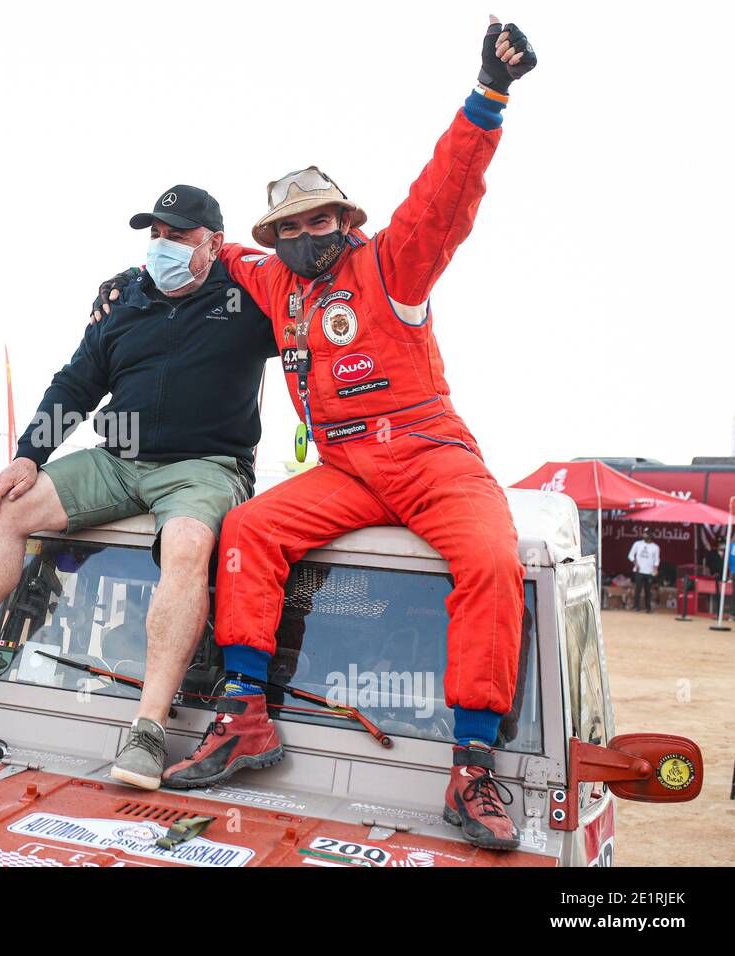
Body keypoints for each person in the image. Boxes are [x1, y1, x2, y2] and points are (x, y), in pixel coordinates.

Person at [148, 18, 537, 852]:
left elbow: (444, 197)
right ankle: (245, 718)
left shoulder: (394, 263)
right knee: (249, 527)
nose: (302, 236)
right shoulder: (275, 279)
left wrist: (487, 98)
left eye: (317, 221)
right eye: (287, 227)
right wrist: (123, 292)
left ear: (342, 219)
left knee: (494, 560)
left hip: (432, 451)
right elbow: (209, 258)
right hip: (348, 466)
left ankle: (473, 764)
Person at [0, 183, 279, 791]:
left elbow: (310, 320)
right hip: (119, 454)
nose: (162, 246)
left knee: (187, 545)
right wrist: (28, 456)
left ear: (213, 242)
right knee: (6, 508)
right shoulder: (124, 299)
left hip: (205, 466)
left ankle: (148, 730)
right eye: (154, 234)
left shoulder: (248, 296)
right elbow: (75, 384)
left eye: (178, 235)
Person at [628, 528, 660, 613]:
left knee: (648, 591)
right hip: (639, 571)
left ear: (650, 535)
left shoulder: (655, 547)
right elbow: (631, 555)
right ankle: (636, 607)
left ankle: (648, 608)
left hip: (649, 572)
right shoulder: (637, 544)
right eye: (644, 533)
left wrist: (655, 569)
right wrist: (635, 564)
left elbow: (656, 560)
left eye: (646, 534)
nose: (644, 535)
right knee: (637, 590)